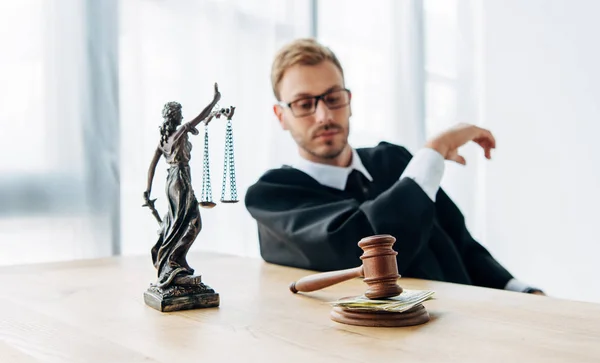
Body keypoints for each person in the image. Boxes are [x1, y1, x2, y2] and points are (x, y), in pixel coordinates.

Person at [245, 38, 542, 294]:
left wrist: (521, 290)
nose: (323, 115)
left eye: (333, 98)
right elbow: (361, 246)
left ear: (349, 101)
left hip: (469, 324)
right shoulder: (272, 197)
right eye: (304, 103)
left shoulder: (394, 161)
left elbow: (460, 243)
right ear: (280, 115)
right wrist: (433, 151)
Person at [143, 84, 221, 288]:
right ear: (175, 116)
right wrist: (214, 100)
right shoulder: (180, 132)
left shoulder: (164, 140)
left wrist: (147, 191)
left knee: (177, 224)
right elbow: (201, 115)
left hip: (171, 181)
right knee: (192, 223)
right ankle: (173, 263)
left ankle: (175, 262)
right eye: (180, 113)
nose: (182, 116)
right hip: (181, 180)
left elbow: (152, 165)